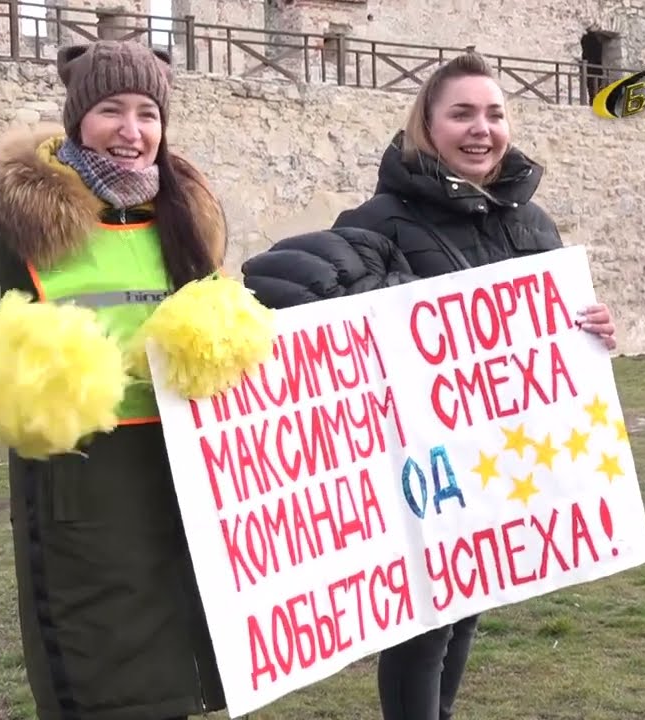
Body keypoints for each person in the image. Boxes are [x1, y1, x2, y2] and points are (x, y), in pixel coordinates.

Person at [240, 51, 617, 720]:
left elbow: (550, 333)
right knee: (424, 620)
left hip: (498, 451)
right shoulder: (382, 218)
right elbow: (317, 307)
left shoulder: (532, 223)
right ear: (428, 125)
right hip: (421, 459)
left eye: (494, 114)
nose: (481, 129)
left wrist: (593, 331)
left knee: (470, 599)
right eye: (462, 114)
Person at [0, 39, 230, 720]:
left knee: (180, 675)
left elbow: (219, 326)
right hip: (82, 485)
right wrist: (49, 380)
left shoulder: (186, 216)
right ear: (78, 118)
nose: (131, 131)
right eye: (111, 110)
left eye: (147, 114)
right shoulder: (23, 221)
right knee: (105, 688)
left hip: (183, 475)